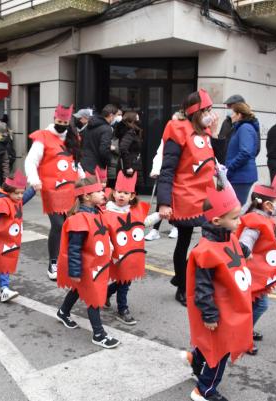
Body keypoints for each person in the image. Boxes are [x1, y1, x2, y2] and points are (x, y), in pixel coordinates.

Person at [182, 184, 253, 401]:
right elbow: (201, 288)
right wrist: (210, 315)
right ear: (216, 220)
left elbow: (236, 249)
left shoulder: (227, 235)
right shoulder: (205, 251)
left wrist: (246, 251)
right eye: (235, 218)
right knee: (221, 349)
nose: (240, 222)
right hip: (219, 310)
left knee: (214, 343)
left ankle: (195, 359)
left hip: (231, 304)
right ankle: (204, 389)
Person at [157, 89, 219, 305]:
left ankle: (189, 277)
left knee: (210, 239)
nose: (211, 114)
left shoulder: (205, 130)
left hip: (207, 195)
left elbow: (216, 159)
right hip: (185, 196)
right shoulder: (177, 130)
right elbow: (168, 169)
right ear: (195, 111)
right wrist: (164, 203)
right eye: (207, 110)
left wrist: (216, 132)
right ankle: (182, 285)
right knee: (183, 241)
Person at [55, 176, 120, 349]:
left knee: (78, 290)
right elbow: (74, 249)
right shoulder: (79, 219)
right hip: (87, 267)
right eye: (98, 191)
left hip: (98, 264)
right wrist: (75, 272)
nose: (102, 193)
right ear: (86, 196)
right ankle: (98, 334)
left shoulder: (98, 213)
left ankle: (63, 311)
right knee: (94, 297)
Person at [24, 104, 84, 281]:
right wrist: (34, 180)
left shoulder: (73, 137)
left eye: (65, 122)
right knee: (58, 224)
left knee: (70, 225)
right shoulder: (42, 137)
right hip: (50, 189)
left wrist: (83, 177)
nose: (62, 124)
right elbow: (31, 161)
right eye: (59, 121)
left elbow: (76, 162)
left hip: (71, 189)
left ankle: (67, 258)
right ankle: (53, 262)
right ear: (54, 119)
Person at [237, 175, 276, 355]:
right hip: (252, 274)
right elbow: (245, 242)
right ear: (267, 205)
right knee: (260, 305)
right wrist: (246, 252)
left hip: (260, 273)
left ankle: (245, 330)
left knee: (255, 304)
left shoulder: (264, 217)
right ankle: (243, 335)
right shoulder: (256, 221)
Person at [103, 171, 159, 325]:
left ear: (132, 196)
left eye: (125, 193)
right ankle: (122, 309)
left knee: (125, 279)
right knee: (125, 281)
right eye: (119, 192)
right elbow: (104, 233)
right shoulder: (107, 211)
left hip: (131, 253)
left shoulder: (134, 211)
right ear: (114, 193)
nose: (121, 195)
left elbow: (144, 222)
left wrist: (159, 216)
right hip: (116, 255)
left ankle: (107, 293)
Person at [0, 170, 36, 302]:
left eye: (22, 192)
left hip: (6, 240)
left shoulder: (13, 199)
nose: (20, 196)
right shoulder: (1, 202)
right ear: (8, 191)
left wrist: (33, 189)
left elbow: (23, 199)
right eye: (17, 193)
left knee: (5, 263)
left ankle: (4, 289)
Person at [145, 112, 181, 241]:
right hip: (166, 172)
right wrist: (155, 170)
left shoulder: (184, 137)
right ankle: (155, 230)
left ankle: (176, 227)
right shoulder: (167, 137)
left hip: (178, 176)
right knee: (161, 201)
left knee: (175, 202)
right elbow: (159, 153)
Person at [225, 102, 260, 205]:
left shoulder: (245, 128)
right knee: (234, 209)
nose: (231, 115)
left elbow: (245, 152)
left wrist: (230, 167)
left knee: (234, 209)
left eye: (233, 113)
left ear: (239, 115)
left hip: (241, 176)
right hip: (240, 175)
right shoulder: (242, 127)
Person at [80, 104, 119, 173]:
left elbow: (82, 143)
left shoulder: (89, 125)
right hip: (97, 168)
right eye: (116, 115)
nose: (116, 118)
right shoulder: (107, 129)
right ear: (111, 115)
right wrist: (108, 163)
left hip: (83, 164)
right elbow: (104, 150)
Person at [212, 94, 245, 164]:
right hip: (224, 163)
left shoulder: (247, 124)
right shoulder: (226, 122)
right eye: (227, 106)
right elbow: (221, 140)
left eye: (230, 106)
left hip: (238, 165)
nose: (227, 108)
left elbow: (255, 149)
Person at [115, 111, 143, 177]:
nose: (139, 121)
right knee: (130, 186)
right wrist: (128, 167)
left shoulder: (135, 132)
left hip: (134, 164)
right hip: (130, 167)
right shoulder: (130, 133)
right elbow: (123, 148)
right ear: (132, 120)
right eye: (137, 119)